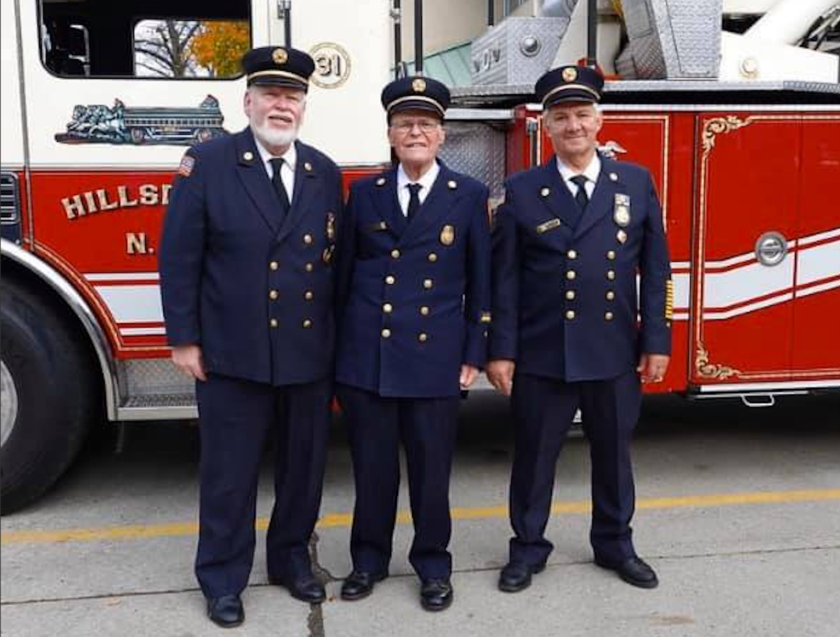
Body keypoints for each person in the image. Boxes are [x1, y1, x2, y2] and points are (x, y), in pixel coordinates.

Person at [158, 46, 343, 628]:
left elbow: (333, 266)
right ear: (248, 102)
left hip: (307, 352)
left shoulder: (322, 171)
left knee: (303, 469)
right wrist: (184, 339)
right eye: (270, 94)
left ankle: (290, 561)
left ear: (304, 108)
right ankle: (221, 578)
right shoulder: (208, 163)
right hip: (231, 353)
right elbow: (179, 256)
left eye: (291, 97)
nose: (281, 105)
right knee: (228, 474)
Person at [487, 64, 672, 593]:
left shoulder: (634, 181)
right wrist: (501, 351)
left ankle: (615, 544)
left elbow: (656, 268)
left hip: (613, 351)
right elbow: (505, 282)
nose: (574, 125)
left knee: (614, 456)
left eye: (582, 114)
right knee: (534, 459)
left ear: (600, 119)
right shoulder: (522, 190)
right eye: (562, 116)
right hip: (543, 355)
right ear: (545, 126)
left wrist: (656, 339)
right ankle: (526, 549)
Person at [334, 75, 492, 611]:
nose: (416, 132)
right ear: (391, 134)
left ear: (442, 135)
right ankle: (368, 562)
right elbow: (344, 278)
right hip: (368, 359)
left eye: (426, 124)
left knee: (430, 476)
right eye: (406, 124)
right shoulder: (365, 193)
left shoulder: (467, 196)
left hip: (435, 360)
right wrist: (340, 354)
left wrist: (475, 352)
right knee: (372, 472)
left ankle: (432, 566)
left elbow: (481, 281)